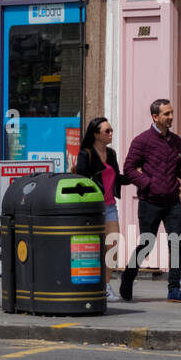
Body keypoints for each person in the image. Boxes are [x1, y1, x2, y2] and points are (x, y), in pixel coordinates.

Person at [119, 99, 181, 302]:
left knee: (176, 243)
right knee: (147, 244)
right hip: (150, 201)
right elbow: (128, 169)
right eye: (166, 114)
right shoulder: (142, 141)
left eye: (171, 113)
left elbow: (178, 169)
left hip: (172, 201)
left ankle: (174, 289)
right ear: (155, 117)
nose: (170, 117)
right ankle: (127, 279)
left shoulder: (176, 140)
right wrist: (148, 183)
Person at [73, 116, 129, 301]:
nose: (111, 134)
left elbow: (117, 177)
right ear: (96, 134)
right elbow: (80, 181)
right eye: (107, 131)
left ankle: (105, 286)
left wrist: (137, 177)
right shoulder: (86, 154)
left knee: (112, 247)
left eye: (111, 130)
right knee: (93, 248)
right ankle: (90, 284)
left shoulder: (111, 154)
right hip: (93, 207)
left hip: (110, 206)